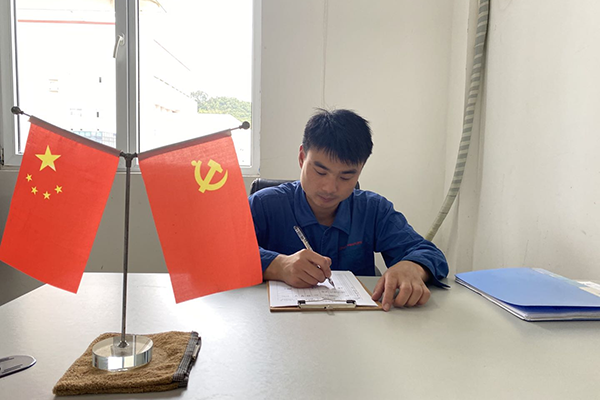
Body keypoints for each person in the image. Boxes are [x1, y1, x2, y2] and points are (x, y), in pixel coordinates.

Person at [249, 109, 448, 311]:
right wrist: (277, 265)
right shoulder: (264, 204)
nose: (329, 188)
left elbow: (430, 253)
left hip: (360, 322)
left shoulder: (373, 209)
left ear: (360, 171)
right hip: (278, 321)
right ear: (302, 158)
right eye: (320, 172)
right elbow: (229, 253)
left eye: (346, 177)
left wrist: (413, 267)